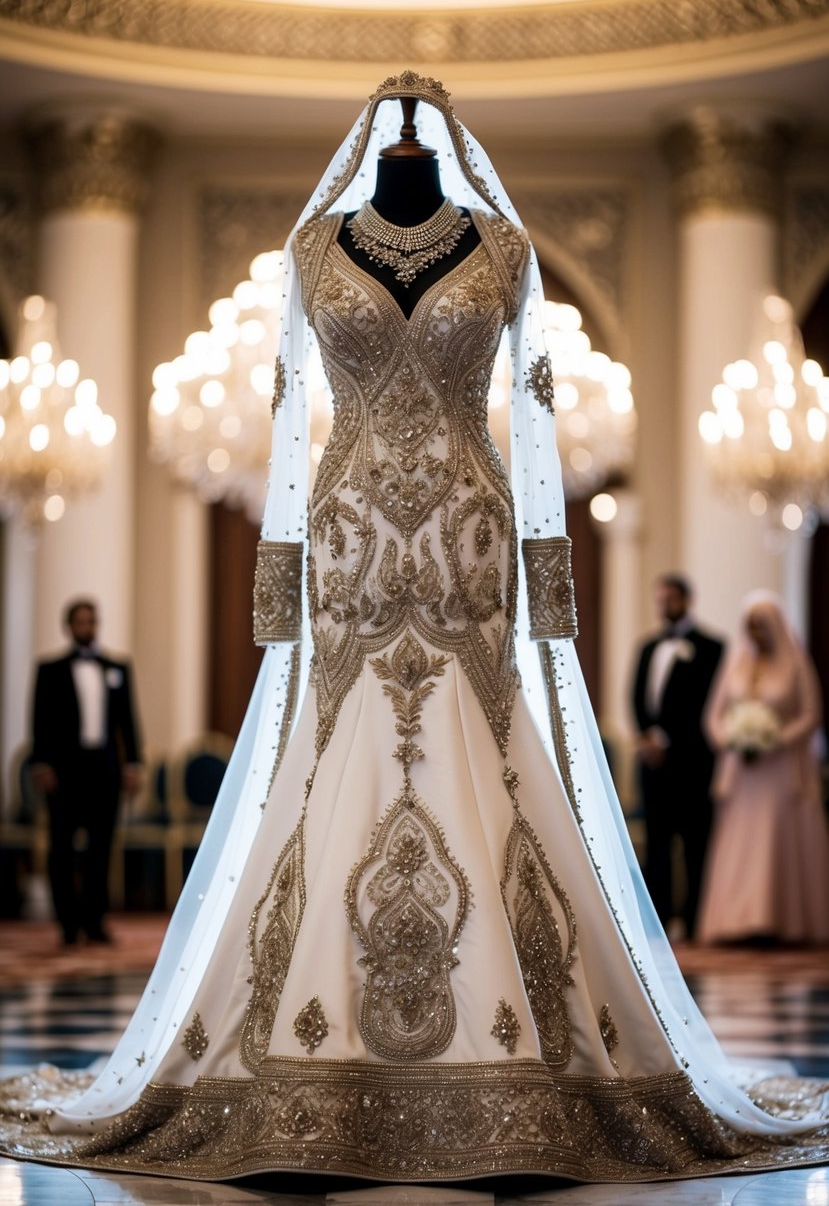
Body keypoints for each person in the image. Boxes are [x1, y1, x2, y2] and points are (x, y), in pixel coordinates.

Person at [1, 72, 827, 1182]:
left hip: (469, 538)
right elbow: (293, 422)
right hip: (345, 535)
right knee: (331, 754)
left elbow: (531, 423)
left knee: (483, 749)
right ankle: (308, 1049)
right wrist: (278, 576)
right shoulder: (310, 251)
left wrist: (548, 581)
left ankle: (523, 1043)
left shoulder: (503, 249)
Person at [697, 593, 829, 945]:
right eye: (751, 625)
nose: (756, 632)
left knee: (777, 838)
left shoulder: (796, 663)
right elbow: (714, 715)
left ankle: (784, 920)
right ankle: (739, 920)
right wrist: (732, 739)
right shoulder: (735, 664)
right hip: (742, 772)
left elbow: (811, 713)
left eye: (762, 625)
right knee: (743, 845)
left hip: (782, 767)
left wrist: (774, 739)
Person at [30, 598, 142, 946]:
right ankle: (67, 923)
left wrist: (133, 764)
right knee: (62, 847)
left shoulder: (117, 667)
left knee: (101, 848)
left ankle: (95, 921)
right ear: (69, 627)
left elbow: (128, 721)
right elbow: (39, 720)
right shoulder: (50, 670)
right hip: (64, 770)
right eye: (80, 622)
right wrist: (42, 762)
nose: (86, 627)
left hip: (104, 769)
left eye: (91, 621)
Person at [631, 575, 725, 939]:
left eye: (670, 599)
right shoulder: (647, 646)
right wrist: (648, 736)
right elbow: (636, 697)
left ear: (687, 600)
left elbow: (705, 702)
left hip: (692, 763)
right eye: (660, 599)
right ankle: (660, 920)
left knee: (694, 843)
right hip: (652, 765)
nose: (664, 605)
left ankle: (695, 919)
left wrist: (668, 739)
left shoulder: (712, 647)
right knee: (657, 845)